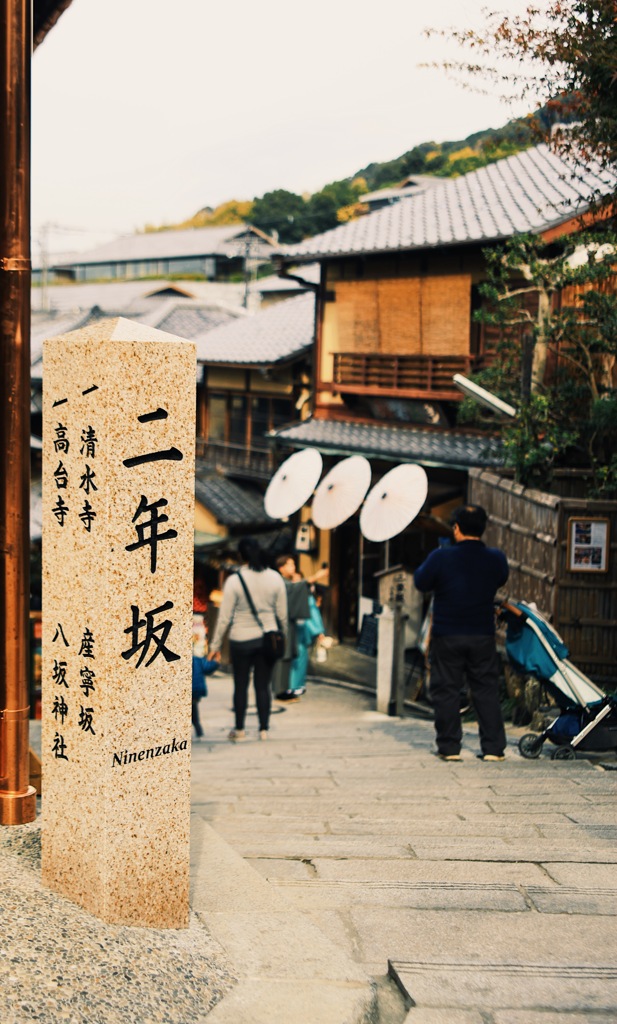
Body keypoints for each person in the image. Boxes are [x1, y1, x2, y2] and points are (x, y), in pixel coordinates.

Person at [413, 504, 509, 762]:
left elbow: (420, 581)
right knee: (485, 689)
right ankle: (493, 748)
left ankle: (449, 747)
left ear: (456, 528)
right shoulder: (496, 558)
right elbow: (501, 578)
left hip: (448, 634)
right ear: (483, 528)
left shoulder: (441, 557)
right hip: (482, 634)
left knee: (447, 689)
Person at [208, 537, 288, 741]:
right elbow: (282, 615)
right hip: (267, 638)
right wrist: (282, 636)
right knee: (263, 685)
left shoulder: (234, 581)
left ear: (241, 556)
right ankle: (263, 730)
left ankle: (240, 729)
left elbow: (225, 617)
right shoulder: (275, 578)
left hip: (241, 639)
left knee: (240, 685)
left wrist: (215, 645)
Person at [272, 555, 310, 702]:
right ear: (281, 568)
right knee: (282, 657)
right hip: (281, 626)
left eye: (294, 564)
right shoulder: (281, 582)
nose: (293, 568)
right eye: (290, 565)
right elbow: (295, 589)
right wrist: (313, 578)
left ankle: (283, 689)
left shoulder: (284, 582)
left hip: (286, 625)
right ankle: (280, 691)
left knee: (286, 657)